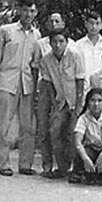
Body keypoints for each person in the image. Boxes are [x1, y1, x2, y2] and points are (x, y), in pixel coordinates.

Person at [0, 0, 41, 177]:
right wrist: (3, 73)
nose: (28, 14)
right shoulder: (6, 31)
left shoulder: (37, 35)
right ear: (19, 10)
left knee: (28, 126)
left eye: (32, 11)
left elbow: (35, 62)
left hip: (27, 84)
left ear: (36, 12)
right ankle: (3, 164)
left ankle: (25, 164)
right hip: (7, 83)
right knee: (3, 125)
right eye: (25, 10)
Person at [37, 27, 86, 179]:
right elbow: (48, 83)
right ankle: (61, 167)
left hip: (77, 100)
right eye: (54, 42)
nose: (58, 45)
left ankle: (74, 168)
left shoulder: (75, 55)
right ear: (50, 43)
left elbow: (80, 81)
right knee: (54, 131)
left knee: (73, 132)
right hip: (61, 101)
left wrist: (78, 108)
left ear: (66, 42)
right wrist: (55, 105)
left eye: (61, 41)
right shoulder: (46, 59)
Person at [34, 12, 70, 168]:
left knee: (64, 128)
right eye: (51, 21)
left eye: (57, 21)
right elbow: (37, 68)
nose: (54, 24)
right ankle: (47, 164)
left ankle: (65, 165)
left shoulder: (72, 46)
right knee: (44, 127)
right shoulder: (40, 44)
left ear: (63, 23)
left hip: (66, 89)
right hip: (46, 86)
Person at [71, 88, 102, 188]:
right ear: (88, 102)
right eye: (92, 100)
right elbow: (77, 141)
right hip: (92, 149)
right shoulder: (83, 118)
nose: (96, 104)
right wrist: (85, 159)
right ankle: (89, 174)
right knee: (82, 151)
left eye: (99, 100)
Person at [74, 11, 102, 76]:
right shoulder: (78, 45)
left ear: (101, 25)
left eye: (97, 23)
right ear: (86, 24)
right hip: (84, 81)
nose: (94, 27)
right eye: (91, 23)